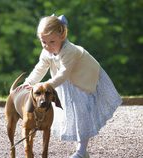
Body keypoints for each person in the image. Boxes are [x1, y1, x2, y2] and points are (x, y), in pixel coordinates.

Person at [23, 14, 122, 158]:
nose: (47, 46)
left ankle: (81, 152)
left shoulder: (70, 51)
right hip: (68, 82)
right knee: (72, 114)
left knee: (82, 114)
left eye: (51, 41)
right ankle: (81, 150)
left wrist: (46, 85)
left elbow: (63, 73)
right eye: (43, 42)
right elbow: (40, 68)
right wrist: (29, 83)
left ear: (62, 35)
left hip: (83, 79)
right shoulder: (47, 51)